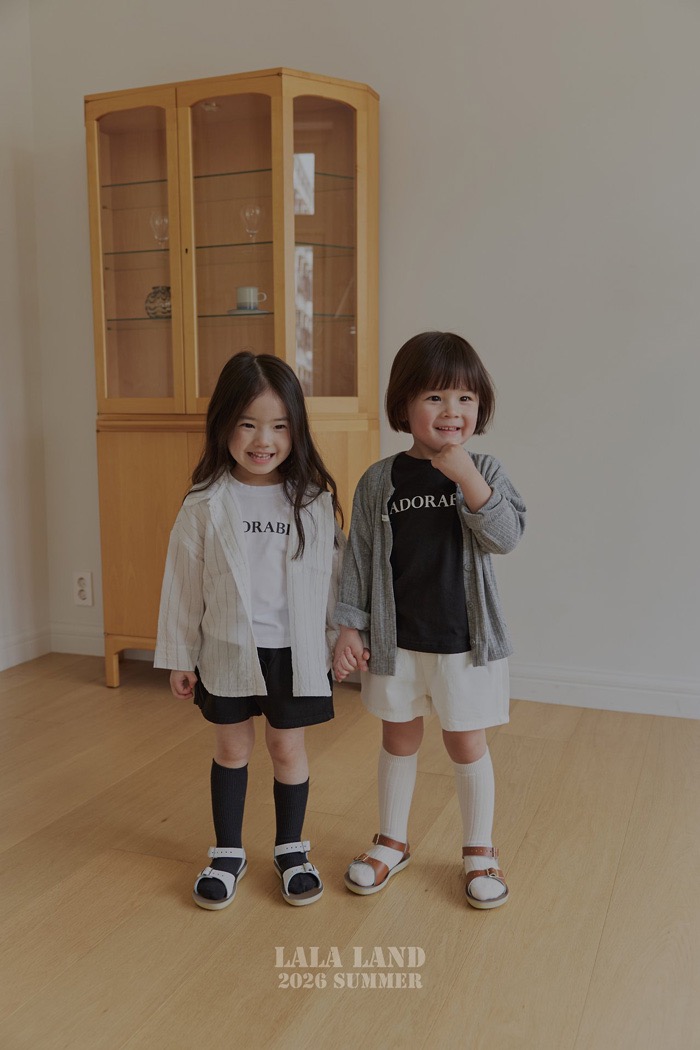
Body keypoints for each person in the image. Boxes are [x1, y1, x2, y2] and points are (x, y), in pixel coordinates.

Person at [333, 331, 525, 909]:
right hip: (397, 642)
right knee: (398, 736)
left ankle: (479, 851)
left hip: (464, 642)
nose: (451, 411)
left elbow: (505, 536)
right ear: (405, 404)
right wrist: (349, 626)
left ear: (480, 406)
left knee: (466, 741)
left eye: (465, 398)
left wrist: (467, 478)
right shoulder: (379, 480)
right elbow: (358, 559)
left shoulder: (483, 469)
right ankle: (391, 841)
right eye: (435, 397)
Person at [155, 351, 344, 910]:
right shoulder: (204, 504)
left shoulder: (314, 501)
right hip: (228, 648)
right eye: (248, 424)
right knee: (232, 746)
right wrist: (181, 655)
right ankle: (227, 853)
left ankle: (291, 849)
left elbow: (332, 580)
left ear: (296, 429)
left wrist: (341, 637)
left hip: (294, 652)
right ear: (224, 425)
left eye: (279, 426)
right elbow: (182, 585)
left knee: (287, 748)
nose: (264, 440)